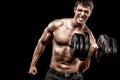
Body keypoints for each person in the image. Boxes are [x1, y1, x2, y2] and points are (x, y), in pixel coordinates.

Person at [29, 0, 98, 80]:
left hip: (74, 76)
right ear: (75, 9)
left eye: (86, 11)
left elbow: (81, 70)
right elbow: (42, 42)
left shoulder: (89, 37)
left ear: (90, 13)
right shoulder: (57, 25)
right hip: (53, 75)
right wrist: (33, 64)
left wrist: (89, 54)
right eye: (80, 10)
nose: (82, 14)